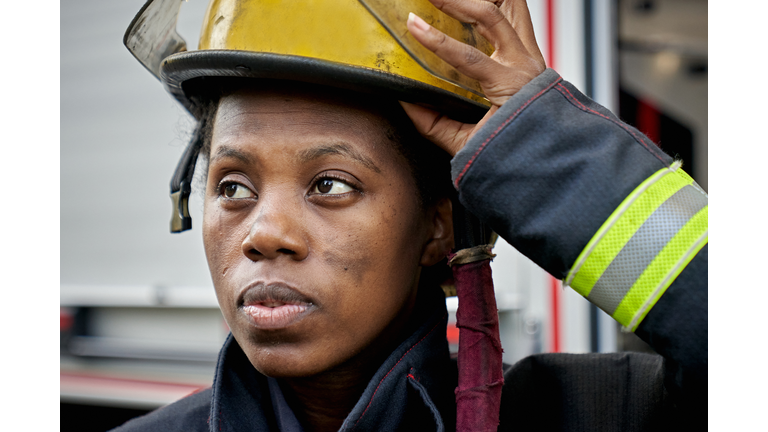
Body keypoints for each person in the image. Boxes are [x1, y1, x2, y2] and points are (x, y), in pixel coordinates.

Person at [115, 0, 707, 430]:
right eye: (234, 188)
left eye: (329, 184)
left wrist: (545, 151)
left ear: (438, 225)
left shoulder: (594, 415)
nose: (264, 233)